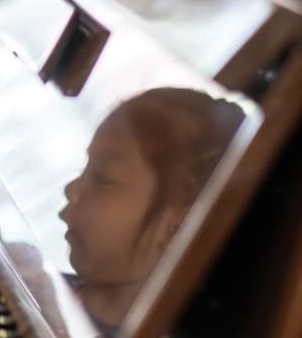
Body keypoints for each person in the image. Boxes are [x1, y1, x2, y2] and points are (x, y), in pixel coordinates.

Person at [58, 87, 245, 335]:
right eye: (85, 168)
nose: (71, 189)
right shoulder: (35, 285)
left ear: (179, 226)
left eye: (102, 178)